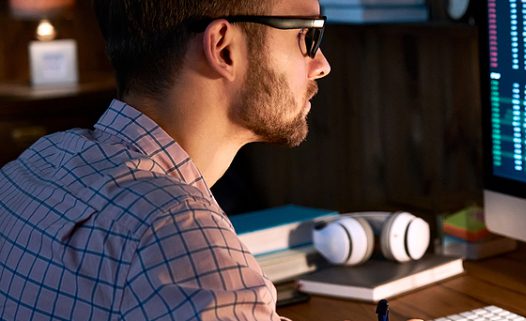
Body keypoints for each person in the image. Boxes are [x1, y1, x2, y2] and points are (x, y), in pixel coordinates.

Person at [0, 0, 329, 319]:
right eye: (306, 36)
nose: (322, 65)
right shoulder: (177, 232)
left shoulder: (31, 166)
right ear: (224, 48)